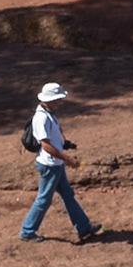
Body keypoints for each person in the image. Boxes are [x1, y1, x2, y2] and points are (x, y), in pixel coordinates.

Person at [20, 82, 101, 244]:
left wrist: (65, 146)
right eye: (58, 98)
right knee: (44, 199)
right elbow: (45, 145)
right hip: (50, 166)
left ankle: (84, 227)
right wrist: (68, 159)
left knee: (67, 195)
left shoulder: (48, 113)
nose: (60, 101)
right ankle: (27, 231)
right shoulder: (42, 117)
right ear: (51, 98)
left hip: (55, 164)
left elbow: (52, 140)